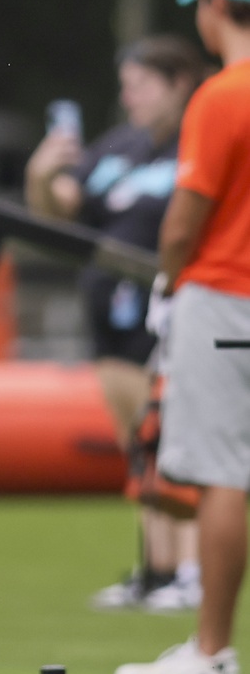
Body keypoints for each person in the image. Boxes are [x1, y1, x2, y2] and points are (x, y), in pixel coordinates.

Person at [24, 36, 208, 611]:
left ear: (178, 82)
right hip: (110, 320)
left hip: (177, 312)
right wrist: (40, 173)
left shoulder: (199, 136)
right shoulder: (121, 146)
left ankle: (190, 570)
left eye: (140, 85)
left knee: (177, 442)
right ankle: (155, 570)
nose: (129, 97)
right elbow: (62, 209)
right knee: (139, 448)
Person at [116, 0, 250, 674]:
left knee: (223, 476)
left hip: (224, 296)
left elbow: (182, 222)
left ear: (214, 6)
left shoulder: (222, 94)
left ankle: (210, 651)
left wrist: (167, 281)